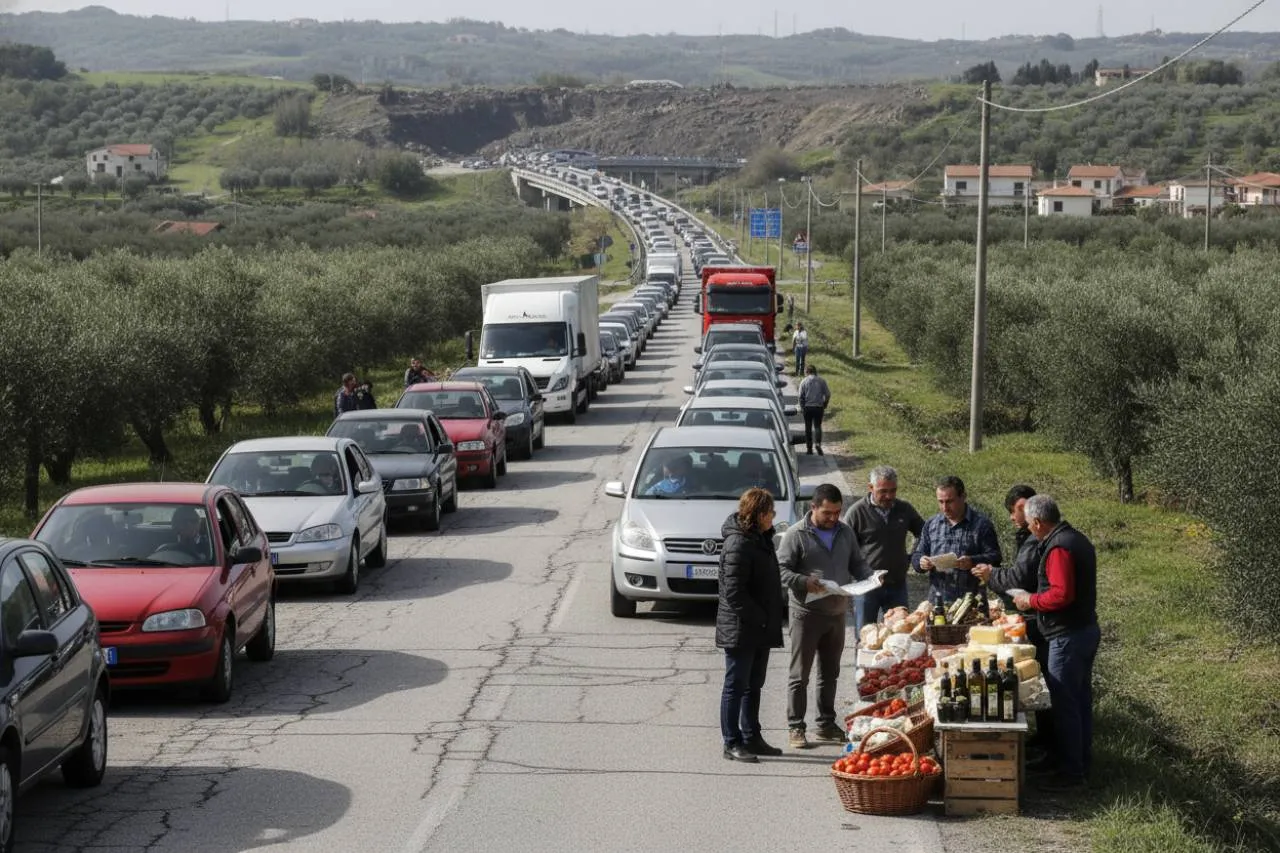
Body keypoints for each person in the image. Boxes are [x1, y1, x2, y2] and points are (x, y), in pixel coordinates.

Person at [1010, 495, 1099, 792]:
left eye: (1030, 525)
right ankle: (1082, 764)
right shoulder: (1077, 539)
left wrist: (1029, 600)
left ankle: (1071, 773)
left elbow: (1061, 594)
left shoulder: (1058, 548)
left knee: (1064, 704)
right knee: (1080, 702)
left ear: (1037, 522)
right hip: (1084, 630)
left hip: (1067, 636)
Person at [777, 483, 870, 749]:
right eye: (827, 513)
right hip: (806, 614)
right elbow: (781, 570)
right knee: (800, 674)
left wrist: (870, 576)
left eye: (837, 512)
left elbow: (857, 562)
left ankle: (826, 724)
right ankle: (796, 726)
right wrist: (803, 581)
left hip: (837, 612)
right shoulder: (796, 535)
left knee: (830, 673)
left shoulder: (845, 532)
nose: (833, 518)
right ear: (813, 507)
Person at [971, 485, 1055, 755]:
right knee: (1043, 678)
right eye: (1019, 509)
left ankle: (1051, 745)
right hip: (1037, 615)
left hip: (1043, 618)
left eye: (1027, 507)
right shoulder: (1030, 536)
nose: (1025, 513)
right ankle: (1044, 740)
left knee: (1047, 680)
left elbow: (1020, 578)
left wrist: (992, 575)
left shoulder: (1038, 539)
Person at [716, 488, 786, 762]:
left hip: (758, 626)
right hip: (741, 628)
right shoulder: (739, 544)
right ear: (758, 514)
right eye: (770, 513)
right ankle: (731, 741)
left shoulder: (760, 538)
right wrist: (760, 617)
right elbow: (734, 593)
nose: (773, 518)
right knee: (736, 684)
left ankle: (752, 736)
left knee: (754, 684)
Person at [843, 466, 925, 635]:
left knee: (900, 635)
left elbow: (923, 532)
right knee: (866, 637)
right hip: (866, 588)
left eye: (893, 490)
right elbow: (845, 549)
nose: (889, 496)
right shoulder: (857, 512)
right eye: (883, 491)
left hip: (897, 584)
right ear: (870, 488)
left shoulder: (904, 509)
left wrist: (912, 556)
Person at [911, 475, 1001, 603]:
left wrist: (972, 561)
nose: (945, 507)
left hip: (971, 603)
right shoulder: (931, 524)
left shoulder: (981, 525)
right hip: (938, 603)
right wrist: (921, 562)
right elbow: (917, 555)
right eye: (940, 502)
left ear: (963, 497)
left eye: (949, 501)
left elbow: (995, 558)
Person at [797, 364, 830, 456]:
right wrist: (825, 404)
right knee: (817, 426)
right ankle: (818, 444)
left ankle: (809, 448)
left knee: (808, 428)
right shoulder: (821, 381)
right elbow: (827, 394)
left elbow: (800, 396)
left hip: (808, 407)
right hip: (818, 407)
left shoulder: (804, 381)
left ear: (807, 372)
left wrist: (802, 407)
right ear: (815, 371)